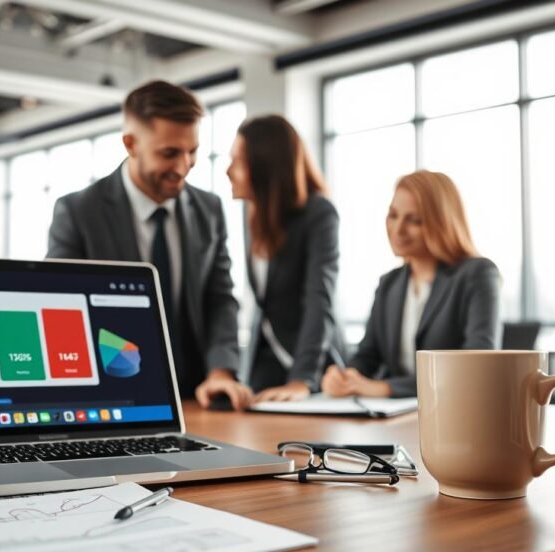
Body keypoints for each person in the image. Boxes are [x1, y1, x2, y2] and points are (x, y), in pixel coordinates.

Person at [47, 79, 247, 404]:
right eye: (169, 153)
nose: (183, 167)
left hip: (196, 393)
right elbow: (60, 309)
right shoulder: (79, 211)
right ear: (131, 144)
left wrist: (221, 371)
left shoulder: (209, 209)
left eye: (192, 151)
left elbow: (219, 298)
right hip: (110, 395)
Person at [199, 114, 344, 410]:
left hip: (313, 363)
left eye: (237, 161)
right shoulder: (250, 211)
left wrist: (301, 380)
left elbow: (319, 298)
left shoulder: (318, 213)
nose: (228, 171)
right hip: (265, 358)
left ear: (267, 165)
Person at [321, 170, 500, 398]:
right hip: (395, 415)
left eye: (414, 220)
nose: (398, 229)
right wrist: (345, 377)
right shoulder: (389, 284)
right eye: (393, 215)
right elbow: (368, 355)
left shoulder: (478, 274)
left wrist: (387, 388)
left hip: (455, 411)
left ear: (442, 223)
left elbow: (477, 363)